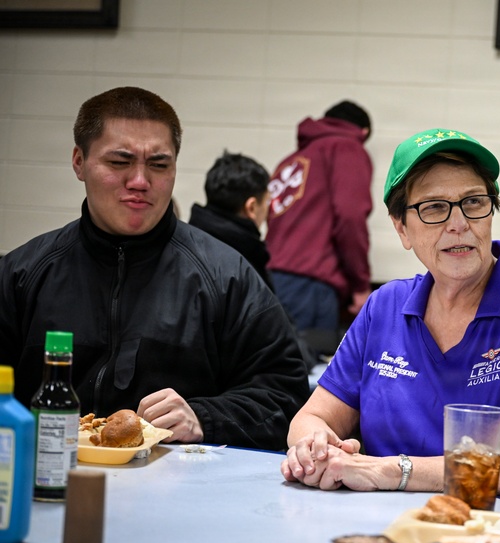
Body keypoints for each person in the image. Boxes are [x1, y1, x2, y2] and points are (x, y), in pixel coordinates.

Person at [281, 128, 500, 504]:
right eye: (434, 207)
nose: (458, 223)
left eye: (473, 202)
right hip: (379, 519)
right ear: (402, 228)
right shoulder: (385, 306)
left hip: (498, 526)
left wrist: (391, 471)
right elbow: (310, 419)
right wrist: (314, 446)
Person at [0, 86, 311, 451]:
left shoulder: (227, 278)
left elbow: (286, 397)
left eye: (159, 165)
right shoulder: (22, 274)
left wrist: (204, 418)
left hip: (182, 482)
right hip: (44, 477)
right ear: (79, 162)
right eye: (120, 162)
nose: (140, 182)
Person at [265, 100, 373, 345]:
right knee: (308, 362)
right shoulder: (347, 147)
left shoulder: (290, 161)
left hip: (270, 278)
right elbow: (350, 217)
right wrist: (360, 285)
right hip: (311, 284)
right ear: (363, 132)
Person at [189, 150, 274, 290]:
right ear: (251, 207)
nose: (268, 210)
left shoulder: (184, 244)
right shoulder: (245, 264)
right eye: (266, 202)